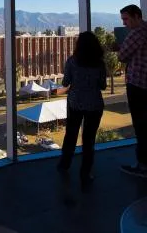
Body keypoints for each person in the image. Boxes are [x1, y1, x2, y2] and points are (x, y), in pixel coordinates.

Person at [118, 4, 147, 178]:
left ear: (137, 16)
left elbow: (122, 56)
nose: (124, 23)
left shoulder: (136, 34)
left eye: (126, 19)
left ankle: (143, 165)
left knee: (140, 126)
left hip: (137, 84)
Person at [57, 31, 106, 186]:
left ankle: (64, 164)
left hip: (75, 102)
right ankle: (85, 173)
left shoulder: (72, 61)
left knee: (71, 134)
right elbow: (103, 85)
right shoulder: (100, 63)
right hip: (94, 104)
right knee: (89, 139)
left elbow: (65, 83)